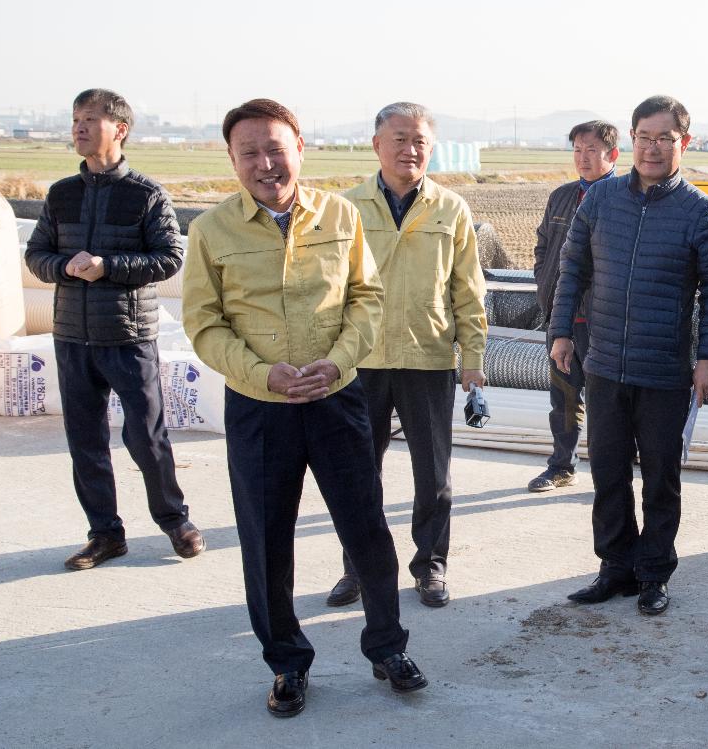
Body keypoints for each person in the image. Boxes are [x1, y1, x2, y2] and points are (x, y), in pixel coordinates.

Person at [182, 99, 424, 717]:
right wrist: (262, 372)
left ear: (300, 148)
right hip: (260, 409)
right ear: (232, 159)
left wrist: (339, 363)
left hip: (338, 398)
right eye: (250, 153)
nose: (266, 163)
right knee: (266, 543)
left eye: (276, 149)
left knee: (366, 529)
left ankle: (387, 647)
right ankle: (287, 663)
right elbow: (204, 326)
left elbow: (366, 299)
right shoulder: (212, 231)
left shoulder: (340, 215)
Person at [550, 95, 708, 616]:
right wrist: (562, 331)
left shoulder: (701, 212)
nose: (654, 148)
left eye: (665, 139)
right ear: (632, 140)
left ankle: (654, 573)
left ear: (684, 143)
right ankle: (615, 567)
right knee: (607, 472)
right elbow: (573, 271)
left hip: (664, 370)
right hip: (604, 363)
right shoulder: (601, 200)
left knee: (660, 476)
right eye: (645, 137)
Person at [25, 88, 204, 571]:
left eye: (89, 119)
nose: (79, 128)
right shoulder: (62, 193)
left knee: (146, 437)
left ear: (119, 128)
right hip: (71, 336)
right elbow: (36, 255)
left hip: (127, 336)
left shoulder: (145, 195)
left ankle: (175, 520)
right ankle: (105, 534)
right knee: (84, 440)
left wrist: (107, 265)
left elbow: (170, 258)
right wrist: (66, 268)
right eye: (75, 119)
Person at [328, 102, 488, 610]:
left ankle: (431, 566)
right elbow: (325, 289)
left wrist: (473, 357)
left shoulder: (451, 208)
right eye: (398, 139)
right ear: (376, 144)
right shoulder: (344, 207)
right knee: (355, 475)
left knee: (433, 477)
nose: (409, 149)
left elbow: (468, 289)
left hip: (428, 356)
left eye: (418, 140)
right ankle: (357, 568)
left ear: (431, 148)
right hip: (360, 361)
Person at [527, 121, 619, 492]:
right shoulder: (562, 196)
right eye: (577, 150)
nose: (582, 158)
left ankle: (611, 474)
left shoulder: (624, 197)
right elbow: (542, 247)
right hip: (562, 319)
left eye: (591, 150)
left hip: (605, 321)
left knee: (607, 403)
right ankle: (561, 466)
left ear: (612, 154)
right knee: (563, 398)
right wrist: (545, 285)